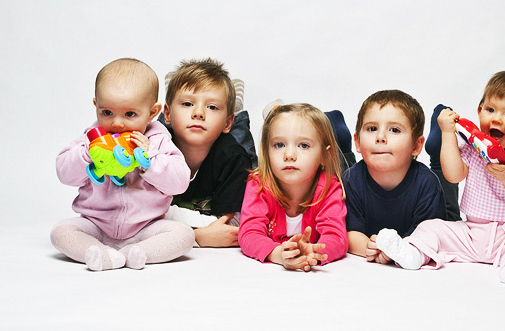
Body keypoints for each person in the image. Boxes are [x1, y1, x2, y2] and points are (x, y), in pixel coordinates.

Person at [376, 70, 505, 288]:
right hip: (471, 232)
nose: (496, 118)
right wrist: (448, 134)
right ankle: (414, 252)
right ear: (479, 111)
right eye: (490, 110)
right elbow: (453, 175)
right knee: (432, 227)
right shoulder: (473, 149)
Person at [51, 58, 194, 271]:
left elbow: (180, 183)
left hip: (146, 227)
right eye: (107, 113)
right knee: (61, 231)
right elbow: (64, 173)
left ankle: (137, 253)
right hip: (96, 225)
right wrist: (89, 154)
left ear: (152, 112)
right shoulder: (91, 140)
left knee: (184, 235)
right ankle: (99, 253)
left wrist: (150, 158)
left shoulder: (157, 142)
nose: (117, 123)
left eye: (130, 114)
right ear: (96, 105)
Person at [238, 103, 348, 271]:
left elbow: (337, 236)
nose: (289, 155)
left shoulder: (329, 186)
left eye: (303, 145)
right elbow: (249, 233)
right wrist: (277, 254)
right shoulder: (258, 183)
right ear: (267, 151)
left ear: (324, 155)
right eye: (279, 145)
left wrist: (314, 254)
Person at [342, 90, 447, 265]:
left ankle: (440, 148)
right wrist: (370, 248)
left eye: (394, 130)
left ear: (416, 145)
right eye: (372, 128)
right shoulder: (351, 179)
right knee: (334, 176)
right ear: (358, 142)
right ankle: (342, 147)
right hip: (353, 176)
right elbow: (348, 231)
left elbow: (430, 239)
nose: (380, 137)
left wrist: (396, 252)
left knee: (452, 214)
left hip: (439, 210)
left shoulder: (427, 183)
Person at [159, 58, 255, 248]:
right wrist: (197, 237)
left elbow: (231, 225)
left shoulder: (235, 158)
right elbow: (136, 213)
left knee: (243, 140)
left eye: (211, 107)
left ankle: (236, 111)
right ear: (167, 114)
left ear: (227, 122)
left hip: (225, 142)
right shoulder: (155, 150)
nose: (198, 113)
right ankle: (182, 96)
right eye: (188, 104)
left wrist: (165, 216)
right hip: (169, 130)